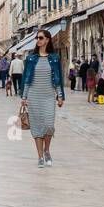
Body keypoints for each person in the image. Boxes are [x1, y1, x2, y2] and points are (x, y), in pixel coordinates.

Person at [20, 29, 65, 168]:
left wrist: (60, 95)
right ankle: (40, 156)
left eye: (40, 38)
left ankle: (47, 150)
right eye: (37, 38)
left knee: (49, 126)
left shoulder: (54, 58)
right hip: (34, 96)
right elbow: (26, 79)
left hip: (48, 96)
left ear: (47, 40)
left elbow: (57, 78)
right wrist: (24, 96)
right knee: (37, 127)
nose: (38, 40)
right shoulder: (31, 58)